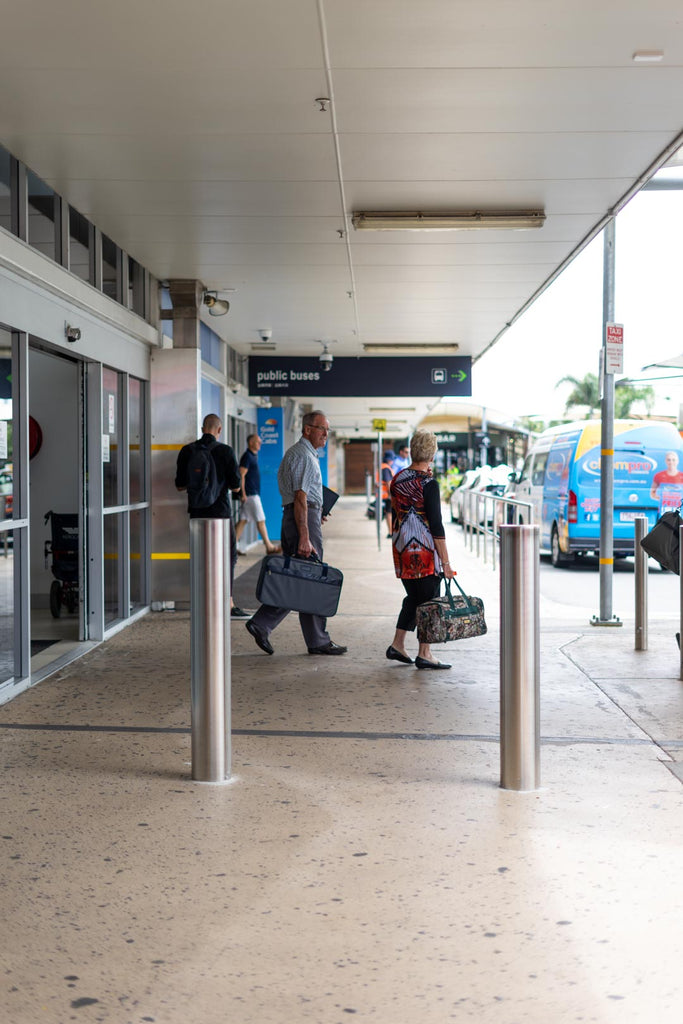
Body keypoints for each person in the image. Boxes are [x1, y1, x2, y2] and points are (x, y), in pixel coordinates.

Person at [245, 410, 347, 657]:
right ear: (307, 429)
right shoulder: (303, 455)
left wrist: (318, 509)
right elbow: (300, 498)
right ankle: (314, 639)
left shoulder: (301, 454)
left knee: (299, 578)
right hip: (302, 519)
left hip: (301, 516)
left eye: (327, 429)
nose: (325, 433)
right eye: (322, 428)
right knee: (310, 578)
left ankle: (268, 625)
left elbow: (302, 497)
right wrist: (305, 535)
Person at [385, 430, 455, 670]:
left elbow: (394, 514)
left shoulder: (397, 479)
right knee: (428, 601)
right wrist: (445, 563)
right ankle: (425, 653)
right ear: (432, 454)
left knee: (414, 597)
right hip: (424, 552)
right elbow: (436, 525)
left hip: (402, 548)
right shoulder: (429, 483)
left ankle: (397, 645)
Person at [175, 413, 251, 619]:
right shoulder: (225, 451)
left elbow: (180, 485)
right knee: (228, 557)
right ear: (219, 430)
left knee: (200, 556)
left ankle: (201, 602)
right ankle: (228, 603)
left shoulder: (187, 451)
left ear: (202, 429)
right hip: (221, 513)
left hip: (197, 513)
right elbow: (236, 487)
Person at [234, 433, 281, 555]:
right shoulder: (247, 457)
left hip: (252, 494)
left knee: (243, 521)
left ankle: (232, 547)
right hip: (250, 495)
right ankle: (269, 547)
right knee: (261, 520)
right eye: (257, 441)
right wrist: (243, 494)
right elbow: (241, 476)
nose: (260, 444)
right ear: (250, 443)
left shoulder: (253, 456)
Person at [378, 450, 396, 538]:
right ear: (389, 460)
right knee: (389, 513)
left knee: (388, 512)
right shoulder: (386, 468)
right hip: (387, 495)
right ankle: (390, 532)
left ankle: (391, 531)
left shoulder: (383, 467)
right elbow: (388, 482)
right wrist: (391, 495)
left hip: (383, 495)